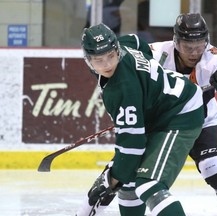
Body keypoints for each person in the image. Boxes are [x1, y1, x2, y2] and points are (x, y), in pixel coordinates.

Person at [78, 23, 204, 216]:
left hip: (180, 113)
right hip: (160, 113)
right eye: (99, 60)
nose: (107, 64)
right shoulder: (124, 45)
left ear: (117, 50)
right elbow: (137, 42)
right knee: (128, 184)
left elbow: (132, 148)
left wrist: (110, 181)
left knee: (149, 184)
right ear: (88, 61)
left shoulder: (121, 88)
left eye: (111, 56)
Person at [149, 13, 217, 215]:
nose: (195, 52)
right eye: (188, 46)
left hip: (202, 123)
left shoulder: (215, 58)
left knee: (216, 168)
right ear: (176, 42)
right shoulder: (156, 53)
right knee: (141, 177)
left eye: (200, 44)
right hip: (163, 125)